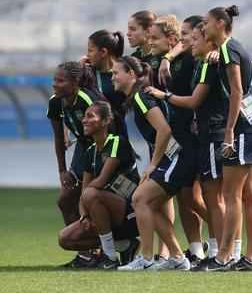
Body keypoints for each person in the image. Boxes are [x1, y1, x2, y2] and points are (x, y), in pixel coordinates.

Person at [147, 18, 227, 266]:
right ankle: (198, 251)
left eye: (188, 35)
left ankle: (224, 245)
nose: (185, 40)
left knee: (204, 197)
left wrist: (216, 53)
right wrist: (168, 57)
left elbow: (196, 98)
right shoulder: (167, 59)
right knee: (186, 197)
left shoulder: (199, 58)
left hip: (197, 138)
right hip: (184, 137)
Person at [111, 55, 190, 271]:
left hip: (176, 157)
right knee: (147, 203)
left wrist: (153, 164)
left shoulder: (140, 97)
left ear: (131, 74)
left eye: (116, 73)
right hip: (173, 157)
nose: (113, 77)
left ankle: (147, 259)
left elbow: (164, 130)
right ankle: (177, 257)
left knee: (140, 198)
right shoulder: (138, 97)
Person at [202, 5, 252, 272]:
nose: (203, 28)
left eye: (205, 23)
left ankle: (224, 256)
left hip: (241, 127)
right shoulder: (235, 48)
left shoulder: (228, 50)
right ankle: (251, 257)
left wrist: (228, 131)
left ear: (219, 23)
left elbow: (237, 91)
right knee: (249, 194)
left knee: (231, 195)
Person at [58, 101, 140, 270]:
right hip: (103, 213)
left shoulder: (117, 142)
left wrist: (87, 200)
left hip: (130, 213)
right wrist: (85, 217)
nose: (84, 120)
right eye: (85, 116)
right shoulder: (90, 152)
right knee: (65, 238)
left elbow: (100, 181)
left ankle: (109, 256)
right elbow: (83, 193)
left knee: (91, 194)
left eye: (90, 116)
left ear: (105, 121)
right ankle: (124, 245)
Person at [47, 61, 103, 269]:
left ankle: (108, 246)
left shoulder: (88, 99)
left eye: (60, 81)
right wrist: (62, 170)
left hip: (102, 148)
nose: (55, 84)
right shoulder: (55, 102)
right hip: (83, 149)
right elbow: (59, 138)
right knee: (65, 200)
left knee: (89, 200)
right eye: (54, 80)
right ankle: (87, 253)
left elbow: (108, 130)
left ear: (76, 82)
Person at [85, 30, 127, 132]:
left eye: (90, 51)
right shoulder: (88, 73)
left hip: (116, 135)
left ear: (103, 52)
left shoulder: (125, 74)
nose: (87, 55)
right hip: (92, 138)